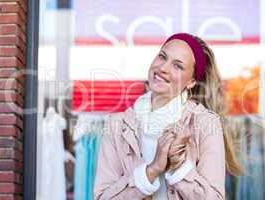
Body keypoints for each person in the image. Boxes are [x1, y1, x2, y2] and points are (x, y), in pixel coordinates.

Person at [94, 33, 242, 200]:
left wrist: (179, 167)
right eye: (162, 57)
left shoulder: (206, 123)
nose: (163, 68)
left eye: (177, 66)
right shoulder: (116, 125)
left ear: (192, 81)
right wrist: (152, 170)